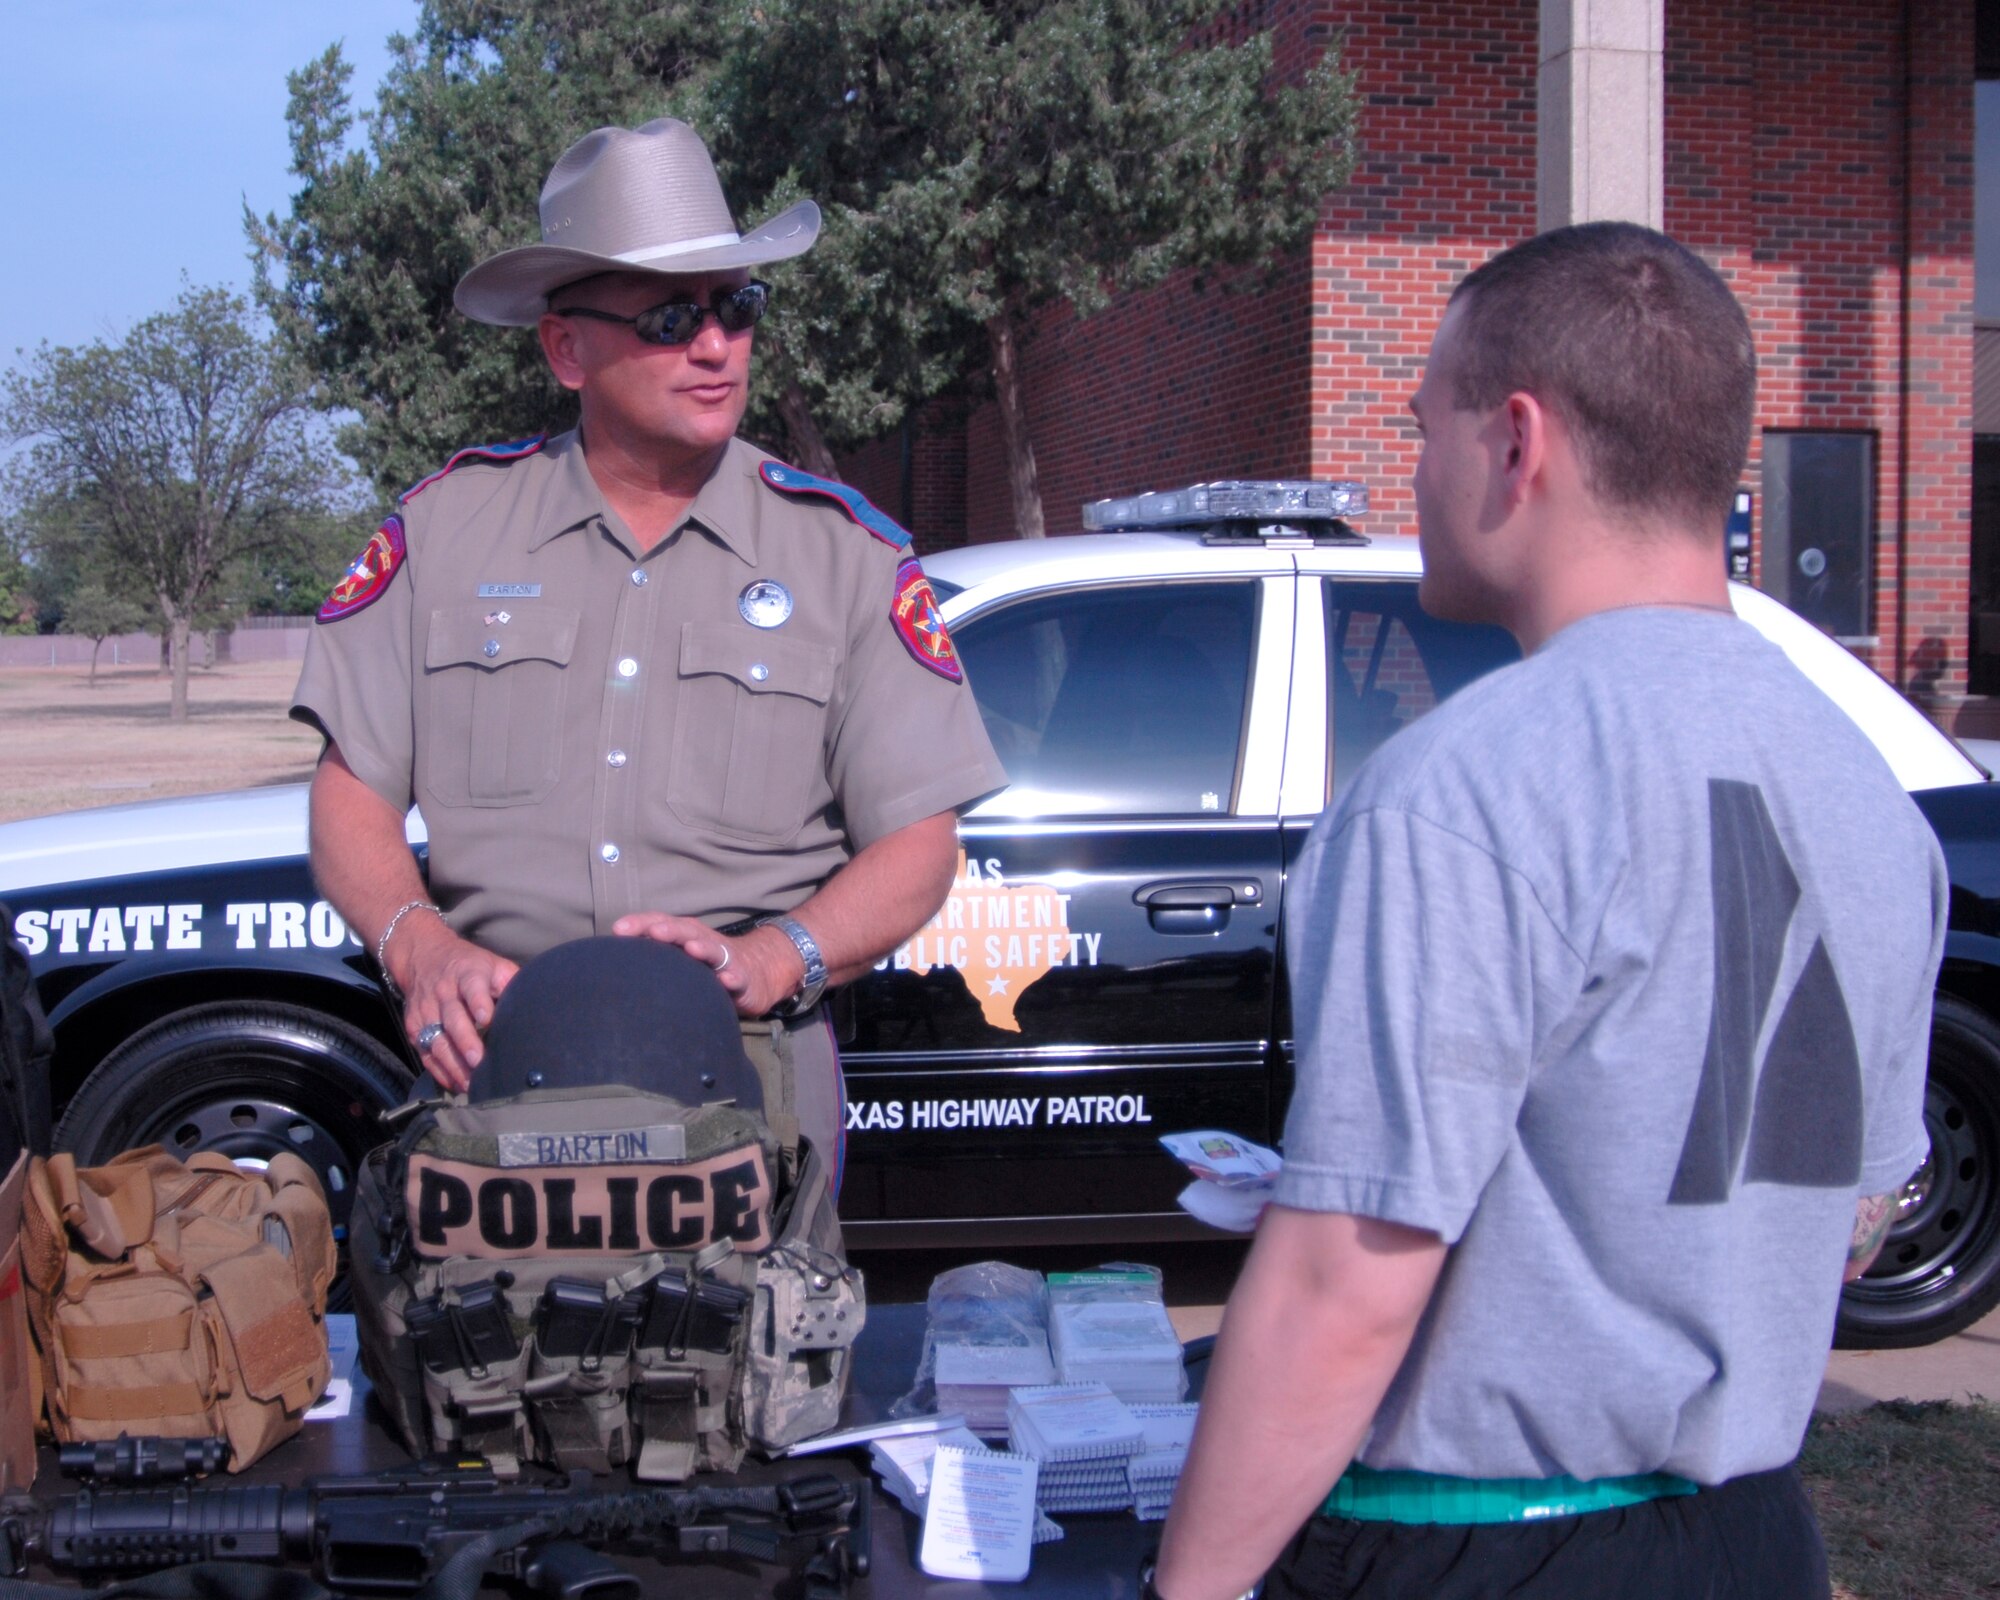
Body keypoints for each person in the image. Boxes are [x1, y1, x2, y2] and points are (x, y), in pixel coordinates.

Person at [1153, 222, 1947, 1599]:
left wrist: (1189, 1589)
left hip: (1473, 1542)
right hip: (1753, 1532)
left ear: (1518, 445)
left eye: (1426, 430)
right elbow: (1850, 1213)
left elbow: (1351, 1283)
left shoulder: (1457, 792)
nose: (1415, 474)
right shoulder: (1873, 791)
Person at [291, 118, 1006, 1178]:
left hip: (746, 1071)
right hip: (494, 1064)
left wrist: (778, 955)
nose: (714, 345)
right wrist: (417, 944)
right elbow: (351, 788)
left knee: (756, 1347)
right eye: (670, 317)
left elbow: (918, 842)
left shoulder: (845, 554)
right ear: (566, 348)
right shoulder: (447, 532)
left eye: (737, 308)